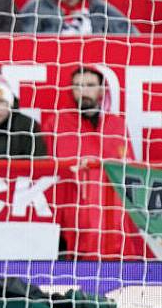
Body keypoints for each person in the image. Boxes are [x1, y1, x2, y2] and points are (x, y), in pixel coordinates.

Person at [43, 66, 145, 260]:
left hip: (113, 216)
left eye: (90, 85)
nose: (84, 90)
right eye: (78, 85)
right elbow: (47, 172)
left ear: (101, 89)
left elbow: (129, 170)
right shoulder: (55, 124)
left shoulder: (117, 124)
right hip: (73, 211)